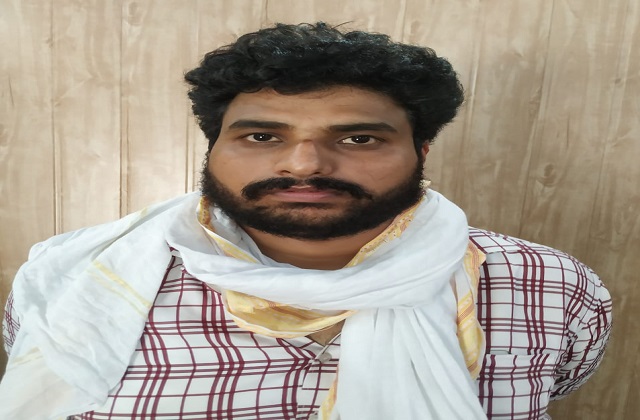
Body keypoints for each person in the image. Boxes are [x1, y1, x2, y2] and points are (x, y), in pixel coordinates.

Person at [1, 22, 611, 420]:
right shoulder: (73, 279)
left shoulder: (553, 286)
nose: (305, 164)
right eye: (263, 136)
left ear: (420, 152)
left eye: (359, 138)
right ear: (213, 148)